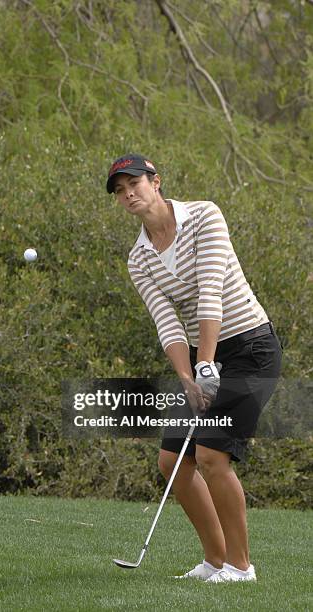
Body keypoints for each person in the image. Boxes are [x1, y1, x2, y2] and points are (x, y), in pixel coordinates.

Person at [106, 153, 282, 582]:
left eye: (135, 184)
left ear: (156, 181)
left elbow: (210, 294)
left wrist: (206, 364)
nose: (129, 193)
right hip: (205, 357)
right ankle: (214, 561)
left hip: (249, 349)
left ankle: (241, 568)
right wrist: (188, 378)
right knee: (172, 461)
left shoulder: (205, 216)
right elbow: (168, 326)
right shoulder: (139, 259)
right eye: (120, 190)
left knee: (211, 455)